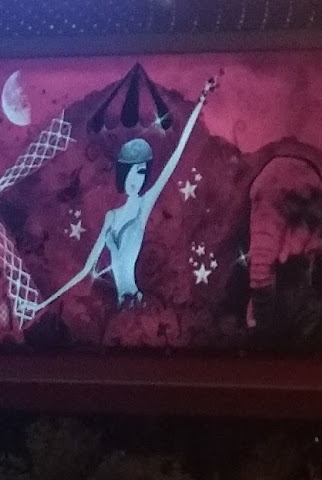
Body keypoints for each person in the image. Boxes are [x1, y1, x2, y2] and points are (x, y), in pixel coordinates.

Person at [36, 87, 204, 315]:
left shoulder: (144, 205)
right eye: (133, 171)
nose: (138, 178)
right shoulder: (111, 217)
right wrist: (43, 304)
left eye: (142, 172)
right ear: (123, 173)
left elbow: (175, 157)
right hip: (120, 308)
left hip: (136, 301)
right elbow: (86, 270)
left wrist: (200, 102)